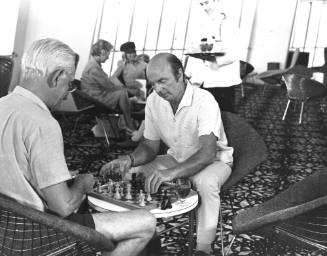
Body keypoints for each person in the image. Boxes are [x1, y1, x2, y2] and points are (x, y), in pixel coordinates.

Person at [0, 38, 156, 256]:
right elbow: (63, 206)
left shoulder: (3, 105)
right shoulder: (43, 123)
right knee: (146, 222)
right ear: (56, 77)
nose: (68, 93)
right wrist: (83, 182)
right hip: (38, 231)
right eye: (69, 84)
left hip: (6, 228)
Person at [101, 52, 234, 256]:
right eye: (153, 83)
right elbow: (149, 147)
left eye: (163, 81)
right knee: (132, 173)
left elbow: (207, 153)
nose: (158, 89)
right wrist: (129, 159)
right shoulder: (154, 101)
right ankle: (142, 236)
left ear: (180, 74)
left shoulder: (204, 100)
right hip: (176, 158)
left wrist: (171, 173)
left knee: (205, 184)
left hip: (214, 161)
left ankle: (203, 249)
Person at [185, 0, 241, 112]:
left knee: (224, 115)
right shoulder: (202, 24)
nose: (205, 7)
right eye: (201, 4)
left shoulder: (227, 23)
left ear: (216, 1)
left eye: (207, 3)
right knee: (205, 115)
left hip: (222, 81)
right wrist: (188, 73)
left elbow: (234, 53)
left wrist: (215, 62)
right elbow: (196, 50)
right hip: (204, 81)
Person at [81, 39, 136, 131]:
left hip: (93, 96)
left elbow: (107, 83)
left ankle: (125, 123)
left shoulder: (92, 65)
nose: (108, 57)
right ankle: (128, 123)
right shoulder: (93, 68)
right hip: (94, 99)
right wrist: (126, 89)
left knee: (123, 94)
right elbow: (109, 86)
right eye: (108, 54)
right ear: (102, 52)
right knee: (122, 94)